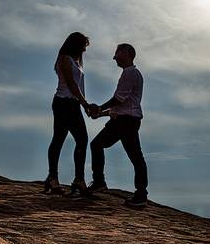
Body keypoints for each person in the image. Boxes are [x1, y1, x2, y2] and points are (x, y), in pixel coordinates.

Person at [87, 43, 148, 208]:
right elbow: (121, 105)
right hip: (125, 120)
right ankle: (140, 192)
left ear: (127, 53)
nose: (114, 57)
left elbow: (119, 100)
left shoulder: (130, 73)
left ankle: (101, 182)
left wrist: (99, 108)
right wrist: (101, 114)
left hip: (125, 121)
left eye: (117, 53)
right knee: (135, 156)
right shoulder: (130, 74)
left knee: (98, 145)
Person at [45, 32, 93, 196]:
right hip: (64, 102)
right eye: (83, 46)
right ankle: (59, 178)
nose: (84, 50)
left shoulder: (76, 61)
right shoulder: (65, 59)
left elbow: (79, 85)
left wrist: (83, 104)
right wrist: (85, 103)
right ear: (76, 45)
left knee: (74, 139)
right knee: (66, 139)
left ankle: (70, 179)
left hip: (72, 104)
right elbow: (72, 85)